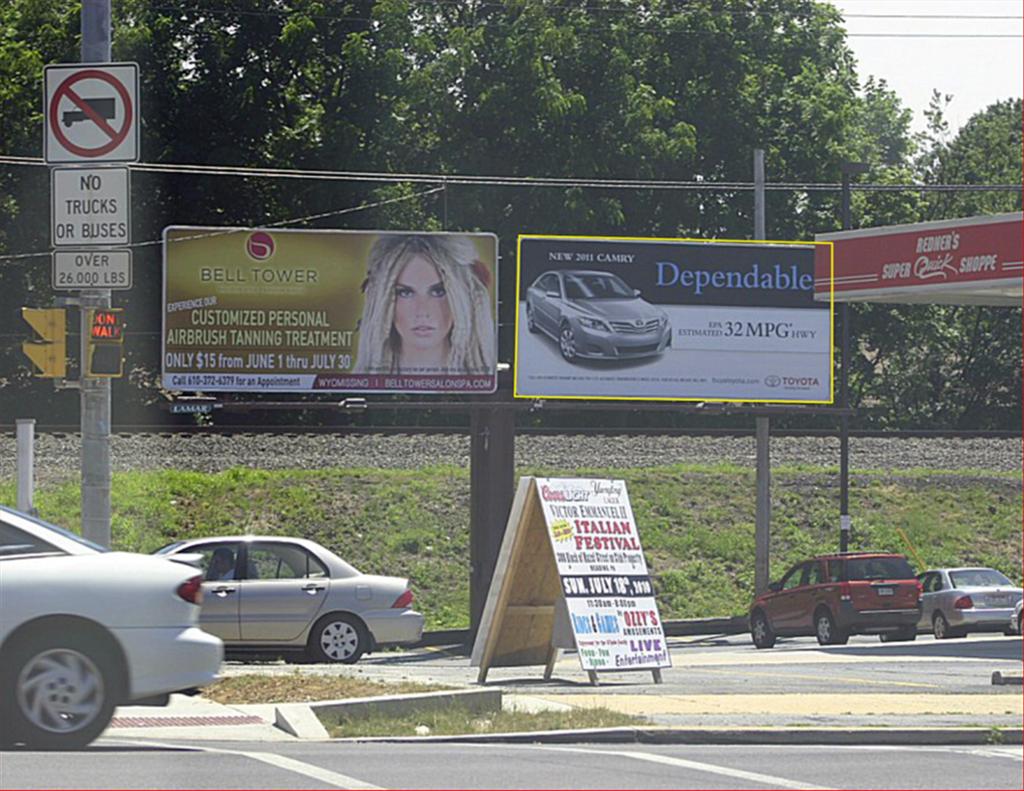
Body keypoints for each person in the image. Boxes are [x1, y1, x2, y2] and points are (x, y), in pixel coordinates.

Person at [353, 234, 495, 375]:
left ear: (462, 298)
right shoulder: (361, 381)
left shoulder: (483, 378)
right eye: (405, 293)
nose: (422, 311)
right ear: (382, 301)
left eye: (439, 291)